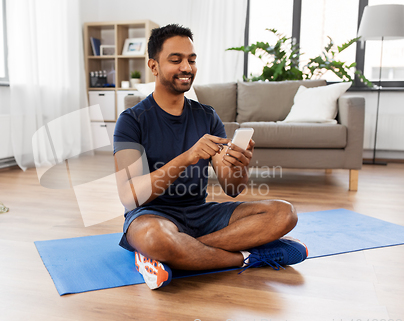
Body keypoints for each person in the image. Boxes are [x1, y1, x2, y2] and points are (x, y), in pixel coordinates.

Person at [113, 24, 307, 290]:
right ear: (154, 66)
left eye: (192, 60)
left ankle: (172, 256)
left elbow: (232, 188)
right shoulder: (131, 121)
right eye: (176, 60)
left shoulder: (206, 116)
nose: (187, 67)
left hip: (200, 214)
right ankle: (249, 256)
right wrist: (187, 157)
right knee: (155, 237)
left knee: (284, 213)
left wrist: (240, 165)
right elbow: (130, 195)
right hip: (151, 216)